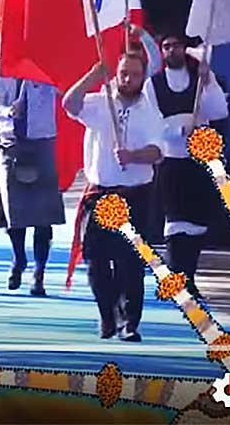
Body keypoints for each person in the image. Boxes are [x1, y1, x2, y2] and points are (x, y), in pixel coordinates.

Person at [63, 55, 165, 342]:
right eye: (123, 73)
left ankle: (129, 322)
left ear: (143, 76)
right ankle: (107, 315)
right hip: (101, 193)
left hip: (134, 196)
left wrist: (133, 156)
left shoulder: (150, 112)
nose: (127, 79)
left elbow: (158, 152)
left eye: (133, 74)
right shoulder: (100, 102)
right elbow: (69, 104)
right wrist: (92, 77)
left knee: (130, 262)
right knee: (95, 261)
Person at [143, 33, 228, 299]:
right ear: (161, 51)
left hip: (200, 160)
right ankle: (176, 276)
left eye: (176, 46)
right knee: (176, 220)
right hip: (171, 160)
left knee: (197, 221)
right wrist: (180, 130)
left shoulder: (200, 80)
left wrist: (208, 79)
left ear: (183, 49)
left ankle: (189, 277)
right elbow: (151, 125)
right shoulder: (152, 85)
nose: (172, 50)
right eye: (166, 47)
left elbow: (219, 111)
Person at [0, 67, 66, 297]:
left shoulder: (48, 75)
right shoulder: (0, 78)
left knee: (44, 215)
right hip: (11, 144)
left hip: (42, 143)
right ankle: (19, 258)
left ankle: (39, 272)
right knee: (15, 212)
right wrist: (11, 111)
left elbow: (65, 96)